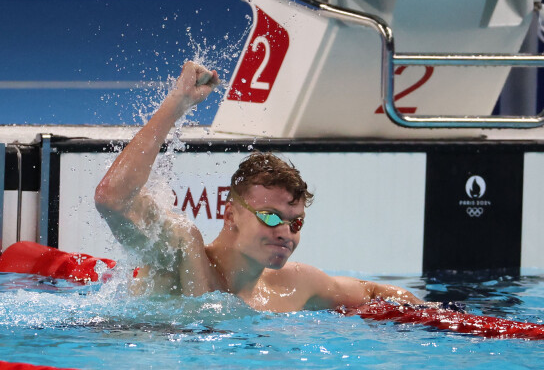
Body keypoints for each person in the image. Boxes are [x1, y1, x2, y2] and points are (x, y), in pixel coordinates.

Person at [94, 61, 428, 312]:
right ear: (231, 215)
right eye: (270, 216)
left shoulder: (295, 286)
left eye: (295, 221)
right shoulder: (181, 251)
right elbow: (113, 199)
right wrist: (176, 106)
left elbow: (371, 293)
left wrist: (433, 317)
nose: (286, 232)